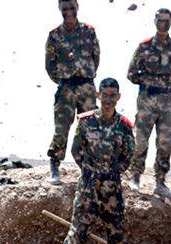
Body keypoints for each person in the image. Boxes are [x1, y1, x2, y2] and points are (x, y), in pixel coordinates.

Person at [60, 78, 135, 244]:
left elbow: (129, 154)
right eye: (105, 95)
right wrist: (90, 171)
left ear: (118, 97)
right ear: (98, 95)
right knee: (79, 228)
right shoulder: (85, 120)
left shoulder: (125, 125)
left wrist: (113, 172)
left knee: (116, 230)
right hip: (88, 185)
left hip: (112, 186)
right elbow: (76, 150)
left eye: (113, 95)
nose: (108, 100)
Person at [126, 7, 171, 198]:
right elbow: (131, 73)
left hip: (168, 101)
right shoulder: (144, 47)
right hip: (147, 100)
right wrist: (148, 83)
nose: (164, 24)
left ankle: (160, 182)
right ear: (155, 22)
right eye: (160, 20)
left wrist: (169, 84)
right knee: (141, 141)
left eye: (167, 21)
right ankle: (135, 177)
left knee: (166, 143)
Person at [45, 0, 99, 185]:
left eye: (71, 7)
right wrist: (63, 79)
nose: (68, 11)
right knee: (61, 128)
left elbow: (96, 57)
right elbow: (49, 64)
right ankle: (54, 165)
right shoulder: (54, 35)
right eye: (64, 8)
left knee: (90, 129)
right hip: (66, 87)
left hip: (86, 86)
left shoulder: (89, 32)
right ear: (59, 9)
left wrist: (86, 76)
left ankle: (88, 169)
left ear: (78, 7)